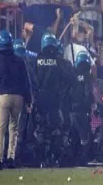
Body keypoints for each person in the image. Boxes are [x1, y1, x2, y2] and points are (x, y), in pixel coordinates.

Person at [0, 30, 33, 170]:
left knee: (1, 129)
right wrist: (29, 101)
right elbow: (27, 82)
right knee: (14, 129)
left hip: (3, 96)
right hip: (18, 97)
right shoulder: (20, 59)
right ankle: (11, 158)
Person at [35, 32, 73, 166]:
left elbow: (33, 81)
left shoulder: (37, 59)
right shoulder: (60, 62)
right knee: (56, 130)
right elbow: (68, 79)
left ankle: (42, 160)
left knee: (41, 130)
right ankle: (55, 158)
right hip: (55, 101)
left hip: (40, 101)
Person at [69, 52, 94, 166]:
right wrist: (92, 105)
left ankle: (72, 160)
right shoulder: (88, 77)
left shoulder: (72, 75)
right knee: (87, 136)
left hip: (72, 110)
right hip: (83, 111)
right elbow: (89, 93)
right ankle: (83, 160)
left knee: (74, 136)